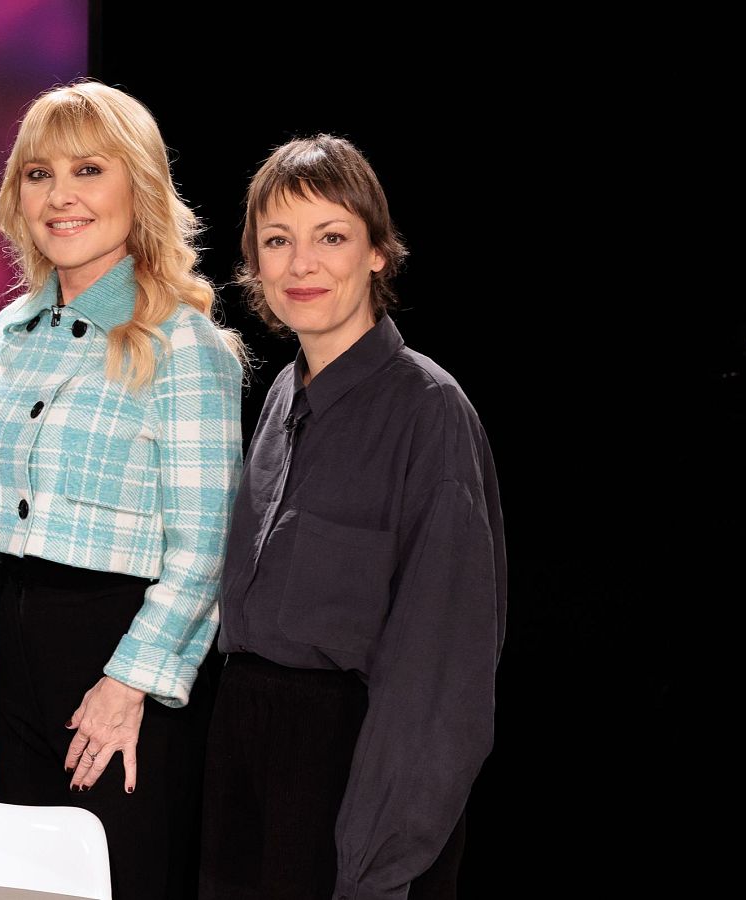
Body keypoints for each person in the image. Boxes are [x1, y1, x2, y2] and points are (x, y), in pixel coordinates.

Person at [0, 80, 245, 899]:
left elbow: (207, 549)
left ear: (138, 187)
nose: (61, 196)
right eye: (39, 175)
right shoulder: (8, 332)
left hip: (125, 666)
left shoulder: (184, 343)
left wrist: (128, 685)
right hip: (17, 658)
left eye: (88, 170)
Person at [200, 135, 506, 900]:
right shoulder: (278, 396)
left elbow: (439, 680)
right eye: (278, 241)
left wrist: (376, 864)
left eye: (330, 237)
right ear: (255, 264)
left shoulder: (430, 413)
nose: (302, 265)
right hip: (246, 760)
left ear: (377, 252)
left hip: (352, 780)